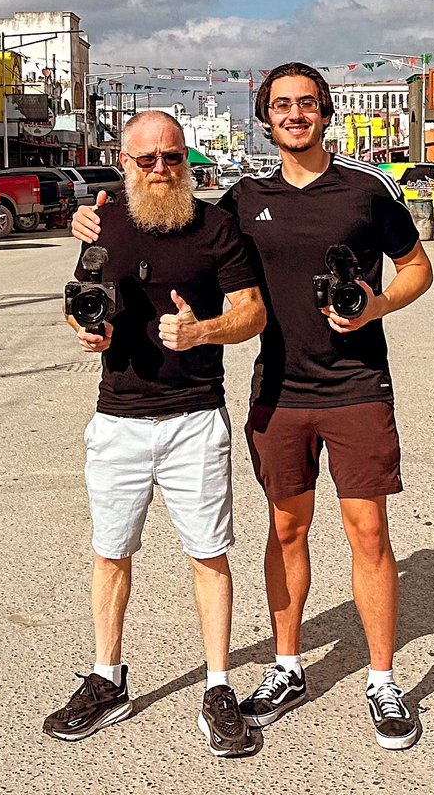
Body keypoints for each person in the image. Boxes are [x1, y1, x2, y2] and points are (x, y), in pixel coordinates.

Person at [74, 63, 433, 750]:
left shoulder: (367, 189)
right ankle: (287, 665)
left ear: (325, 113)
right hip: (278, 390)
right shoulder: (243, 199)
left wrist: (379, 305)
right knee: (287, 533)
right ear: (265, 120)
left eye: (305, 104)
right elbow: (167, 225)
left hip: (357, 387)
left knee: (369, 534)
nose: (294, 115)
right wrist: (90, 216)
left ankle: (383, 680)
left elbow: (418, 265)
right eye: (280, 106)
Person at [46, 111, 267, 758]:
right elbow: (79, 299)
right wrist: (84, 330)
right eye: (148, 160)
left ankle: (219, 686)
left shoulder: (216, 227)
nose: (163, 169)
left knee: (208, 554)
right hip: (118, 418)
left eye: (173, 157)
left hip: (194, 419)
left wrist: (202, 331)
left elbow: (251, 312)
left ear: (188, 161)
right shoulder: (105, 224)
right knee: (112, 551)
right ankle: (108, 679)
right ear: (125, 162)